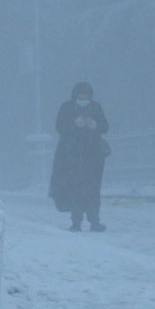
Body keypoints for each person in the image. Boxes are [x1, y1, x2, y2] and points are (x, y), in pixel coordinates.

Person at [49, 82, 109, 232]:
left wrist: (94, 124)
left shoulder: (96, 107)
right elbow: (59, 127)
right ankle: (76, 222)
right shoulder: (67, 107)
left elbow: (105, 127)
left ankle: (94, 220)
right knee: (76, 188)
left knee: (93, 189)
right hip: (72, 155)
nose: (84, 97)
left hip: (93, 155)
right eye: (81, 94)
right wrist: (75, 124)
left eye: (86, 94)